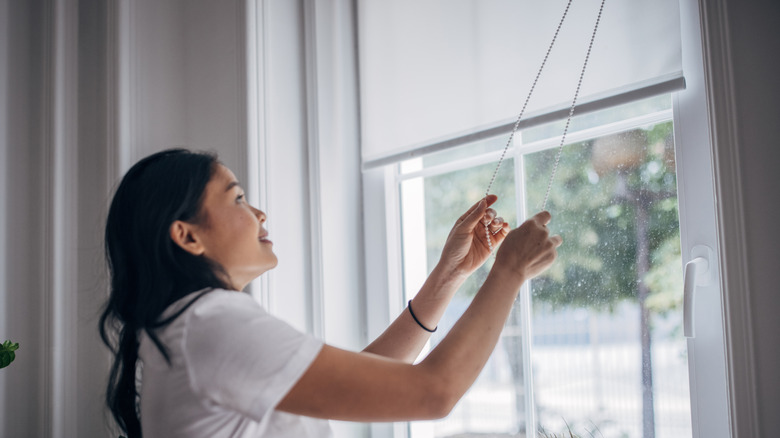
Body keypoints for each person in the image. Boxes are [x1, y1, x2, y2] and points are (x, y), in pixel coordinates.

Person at [99, 148, 562, 438]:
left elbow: (369, 380)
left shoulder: (191, 325)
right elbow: (432, 393)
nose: (259, 212)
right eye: (238, 199)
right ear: (188, 236)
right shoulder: (212, 323)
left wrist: (450, 273)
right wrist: (509, 272)